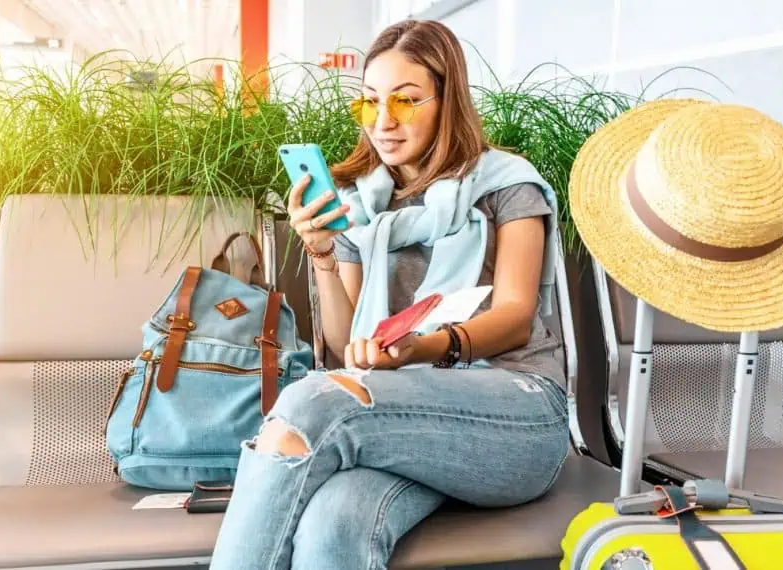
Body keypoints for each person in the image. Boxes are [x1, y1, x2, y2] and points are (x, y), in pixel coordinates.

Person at [210, 19, 569, 570]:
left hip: (515, 416)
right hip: (401, 419)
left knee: (313, 402)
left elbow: (517, 317)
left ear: (447, 100)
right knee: (336, 522)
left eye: (405, 102)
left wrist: (426, 348)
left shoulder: (507, 184)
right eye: (370, 103)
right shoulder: (363, 207)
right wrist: (324, 253)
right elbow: (342, 337)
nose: (383, 122)